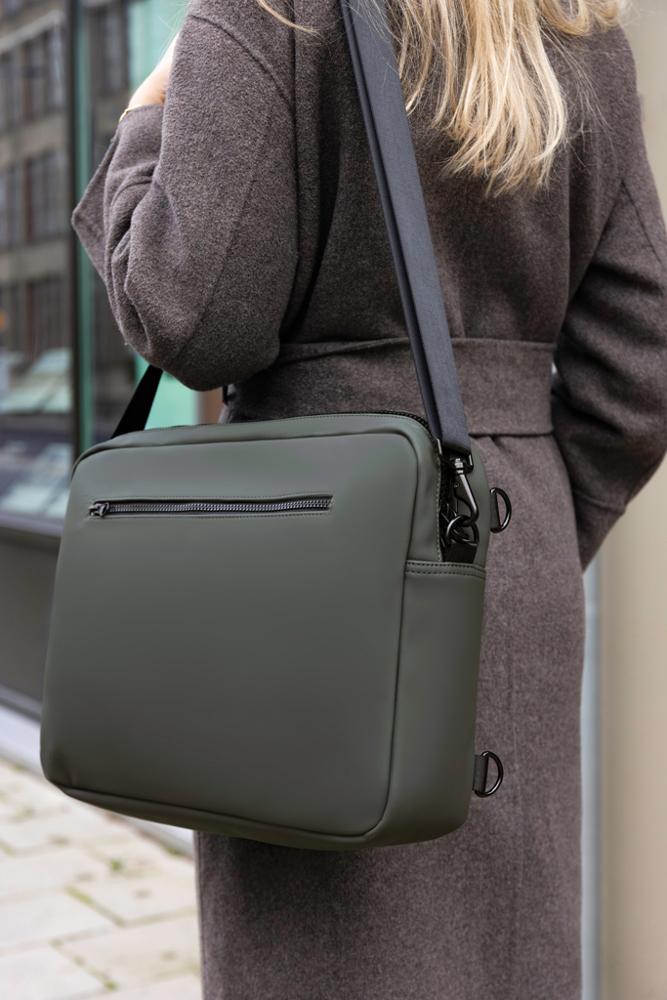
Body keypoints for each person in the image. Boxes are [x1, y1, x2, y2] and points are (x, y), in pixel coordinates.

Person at [70, 1, 667, 997]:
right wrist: (501, 545)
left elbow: (193, 317)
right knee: (504, 953)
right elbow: (640, 371)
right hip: (504, 544)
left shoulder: (269, 14)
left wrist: (144, 118)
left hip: (308, 561)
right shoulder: (575, 30)